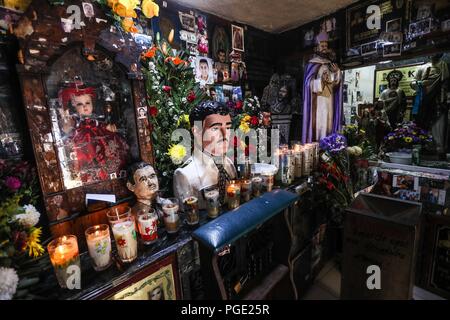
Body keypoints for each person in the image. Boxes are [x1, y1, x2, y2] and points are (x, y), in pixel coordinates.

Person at [58, 83, 129, 183]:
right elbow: (68, 130)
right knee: (87, 158)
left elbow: (100, 125)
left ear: (92, 104)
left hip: (98, 137)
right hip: (83, 142)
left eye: (87, 103)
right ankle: (91, 178)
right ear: (74, 107)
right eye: (80, 104)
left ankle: (109, 175)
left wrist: (107, 127)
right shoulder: (76, 123)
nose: (84, 106)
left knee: (107, 151)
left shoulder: (95, 121)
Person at [173, 101, 236, 209]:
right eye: (215, 128)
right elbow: (189, 217)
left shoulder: (228, 164)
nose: (225, 134)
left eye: (228, 128)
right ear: (196, 131)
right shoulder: (184, 175)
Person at [302, 32, 342, 143]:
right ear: (316, 47)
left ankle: (329, 146)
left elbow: (335, 83)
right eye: (322, 46)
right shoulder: (312, 64)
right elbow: (307, 84)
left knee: (329, 122)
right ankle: (318, 146)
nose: (325, 48)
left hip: (329, 99)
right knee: (319, 123)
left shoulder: (330, 64)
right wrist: (320, 81)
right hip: (318, 101)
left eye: (326, 46)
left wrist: (337, 72)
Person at [411, 53, 449, 158]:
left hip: (437, 99)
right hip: (423, 99)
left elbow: (446, 83)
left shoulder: (444, 65)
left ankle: (438, 148)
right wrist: (421, 83)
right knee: (422, 124)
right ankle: (423, 146)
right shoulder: (422, 68)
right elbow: (413, 83)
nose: (433, 54)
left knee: (438, 124)